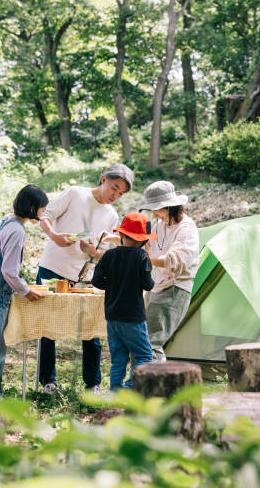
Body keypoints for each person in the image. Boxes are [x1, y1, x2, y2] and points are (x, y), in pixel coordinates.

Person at [36, 163, 134, 394]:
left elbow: (101, 252)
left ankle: (93, 385)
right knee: (48, 328)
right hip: (52, 268)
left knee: (91, 330)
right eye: (114, 188)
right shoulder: (75, 193)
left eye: (121, 193)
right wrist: (54, 236)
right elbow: (45, 217)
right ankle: (47, 382)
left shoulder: (111, 215)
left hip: (85, 276)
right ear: (103, 179)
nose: (115, 195)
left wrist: (94, 252)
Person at [0, 184, 49, 395]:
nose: (43, 214)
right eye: (42, 210)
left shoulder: (6, 221)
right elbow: (9, 270)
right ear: (32, 207)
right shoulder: (17, 230)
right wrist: (26, 291)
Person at [91, 213, 155, 390]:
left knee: (118, 359)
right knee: (145, 356)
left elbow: (96, 281)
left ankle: (114, 393)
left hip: (112, 315)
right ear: (143, 240)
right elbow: (148, 285)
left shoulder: (108, 255)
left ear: (121, 235)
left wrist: (112, 285)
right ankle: (128, 389)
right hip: (133, 316)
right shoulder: (142, 257)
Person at [139, 180, 199, 362]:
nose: (154, 213)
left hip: (174, 288)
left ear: (169, 206)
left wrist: (143, 259)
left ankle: (156, 387)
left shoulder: (186, 228)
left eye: (157, 208)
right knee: (141, 341)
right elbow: (142, 242)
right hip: (157, 285)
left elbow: (176, 261)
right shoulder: (159, 225)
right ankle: (138, 384)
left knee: (151, 343)